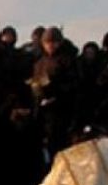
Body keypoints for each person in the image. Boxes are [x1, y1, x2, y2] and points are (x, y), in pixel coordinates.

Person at [30, 26, 79, 158]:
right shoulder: (39, 62)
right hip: (42, 110)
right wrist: (37, 90)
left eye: (53, 42)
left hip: (61, 110)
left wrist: (55, 91)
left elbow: (74, 84)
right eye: (47, 43)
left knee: (58, 146)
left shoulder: (68, 60)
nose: (50, 46)